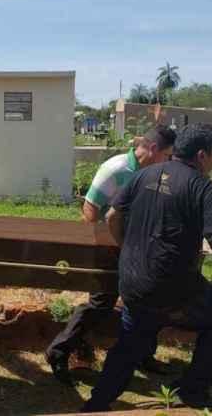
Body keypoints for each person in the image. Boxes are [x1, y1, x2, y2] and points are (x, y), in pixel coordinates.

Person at [81, 123, 212, 411]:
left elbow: (113, 216)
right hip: (173, 289)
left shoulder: (144, 175)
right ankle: (193, 391)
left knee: (132, 337)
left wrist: (127, 248)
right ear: (202, 155)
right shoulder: (203, 189)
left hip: (132, 280)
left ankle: (98, 401)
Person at [45, 125, 177, 386]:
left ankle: (142, 355)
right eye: (167, 155)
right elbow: (90, 209)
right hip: (111, 249)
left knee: (149, 300)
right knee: (101, 304)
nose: (169, 160)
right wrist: (108, 247)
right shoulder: (116, 170)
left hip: (139, 248)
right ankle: (58, 352)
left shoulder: (154, 171)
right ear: (152, 149)